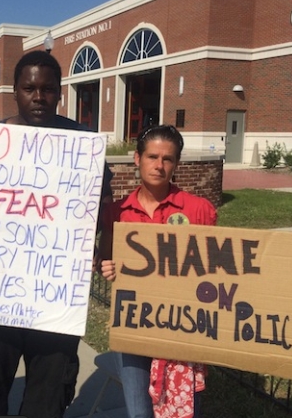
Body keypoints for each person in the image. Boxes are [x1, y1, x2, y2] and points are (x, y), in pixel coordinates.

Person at [0, 50, 113, 418]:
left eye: (48, 89)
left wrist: (99, 245)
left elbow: (103, 207)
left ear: (59, 92)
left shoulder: (82, 145)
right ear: (16, 92)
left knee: (47, 400)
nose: (39, 96)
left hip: (54, 299)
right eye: (29, 88)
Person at [98, 124, 217, 418]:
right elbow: (105, 262)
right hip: (135, 326)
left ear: (176, 163)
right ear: (137, 159)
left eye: (167, 159)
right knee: (139, 412)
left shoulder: (199, 210)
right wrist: (108, 268)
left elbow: (216, 272)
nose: (159, 165)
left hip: (181, 329)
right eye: (152, 157)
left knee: (183, 413)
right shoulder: (117, 212)